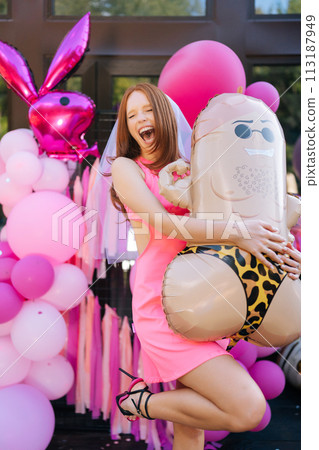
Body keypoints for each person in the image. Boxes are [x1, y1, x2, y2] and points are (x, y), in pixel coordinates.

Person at [105, 83, 300, 449]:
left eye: (146, 110)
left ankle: (145, 403)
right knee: (249, 410)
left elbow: (242, 209)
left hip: (208, 294)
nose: (139, 120)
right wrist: (238, 232)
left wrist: (283, 247)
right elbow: (164, 223)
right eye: (131, 116)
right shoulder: (126, 168)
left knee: (191, 426)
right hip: (161, 301)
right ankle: (137, 403)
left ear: (163, 113)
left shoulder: (194, 165)